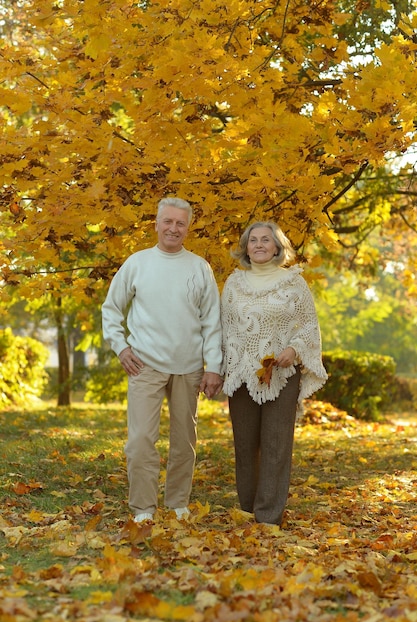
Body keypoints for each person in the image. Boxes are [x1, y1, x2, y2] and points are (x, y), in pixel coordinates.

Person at [102, 197, 223, 523]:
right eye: (167, 222)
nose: (173, 228)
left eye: (180, 223)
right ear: (156, 224)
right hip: (145, 363)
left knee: (184, 440)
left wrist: (214, 366)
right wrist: (121, 347)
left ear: (187, 227)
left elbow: (212, 320)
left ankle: (177, 502)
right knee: (140, 440)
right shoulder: (137, 263)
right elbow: (111, 309)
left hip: (189, 367)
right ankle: (143, 508)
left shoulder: (200, 267)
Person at [221, 221, 327, 526]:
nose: (258, 245)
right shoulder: (234, 284)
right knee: (245, 443)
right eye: (252, 240)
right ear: (246, 248)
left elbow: (309, 326)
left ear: (277, 246)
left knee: (276, 443)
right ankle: (248, 508)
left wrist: (294, 350)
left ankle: (268, 517)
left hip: (282, 375)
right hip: (243, 373)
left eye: (265, 240)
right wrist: (221, 368)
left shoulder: (293, 283)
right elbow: (225, 329)